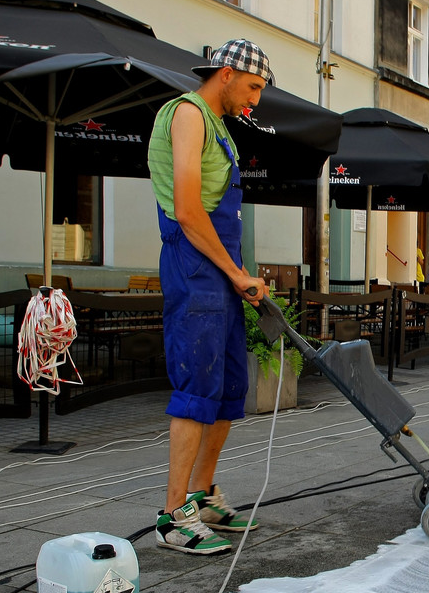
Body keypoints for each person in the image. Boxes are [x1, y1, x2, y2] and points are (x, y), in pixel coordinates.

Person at [148, 39, 271, 555]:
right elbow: (187, 210)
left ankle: (201, 495)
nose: (256, 100)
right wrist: (233, 272)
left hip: (219, 272)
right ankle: (174, 517)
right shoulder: (187, 114)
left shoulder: (221, 128)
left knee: (227, 390)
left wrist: (239, 274)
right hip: (193, 267)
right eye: (253, 86)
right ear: (226, 73)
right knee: (196, 389)